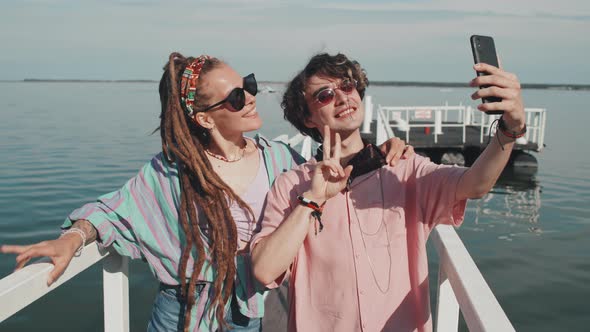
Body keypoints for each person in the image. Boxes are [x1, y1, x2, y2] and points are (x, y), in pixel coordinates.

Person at [0, 52, 412, 331]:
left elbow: (334, 172)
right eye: (236, 97)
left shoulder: (280, 160)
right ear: (204, 118)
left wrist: (386, 151)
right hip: (182, 313)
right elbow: (114, 210)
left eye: (247, 85)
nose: (251, 97)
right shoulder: (173, 173)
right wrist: (71, 238)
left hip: (251, 312)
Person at [250, 52, 527, 331]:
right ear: (307, 117)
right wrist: (313, 200)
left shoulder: (404, 169)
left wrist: (509, 129)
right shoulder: (292, 185)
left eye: (347, 86)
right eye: (325, 95)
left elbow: (476, 184)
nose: (344, 98)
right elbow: (264, 271)